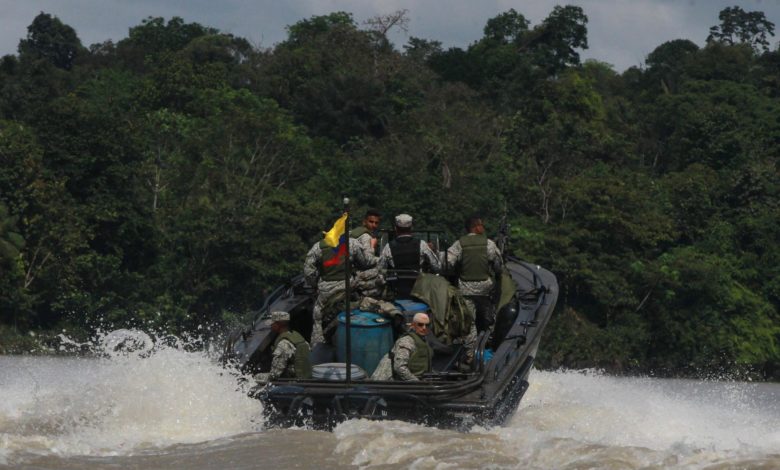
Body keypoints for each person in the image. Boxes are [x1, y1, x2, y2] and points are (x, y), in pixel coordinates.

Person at [303, 229, 368, 345]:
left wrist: (315, 284)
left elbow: (308, 272)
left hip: (326, 292)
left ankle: (318, 347)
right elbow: (364, 262)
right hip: (348, 289)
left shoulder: (318, 247)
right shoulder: (352, 243)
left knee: (318, 317)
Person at [446, 215, 503, 332]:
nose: (483, 228)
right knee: (488, 318)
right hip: (485, 289)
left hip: (465, 289)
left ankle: (470, 341)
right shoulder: (489, 244)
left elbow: (448, 263)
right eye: (481, 225)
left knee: (468, 321)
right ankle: (487, 337)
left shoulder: (459, 244)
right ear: (476, 227)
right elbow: (498, 265)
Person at [371, 312, 433, 381]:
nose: (424, 328)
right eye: (420, 325)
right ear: (413, 325)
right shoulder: (406, 341)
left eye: (427, 325)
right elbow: (400, 368)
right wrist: (417, 382)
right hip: (391, 382)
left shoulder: (423, 339)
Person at [255, 311, 312, 381]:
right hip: (306, 377)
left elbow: (274, 374)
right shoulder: (299, 338)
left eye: (272, 324)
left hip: (294, 382)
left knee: (255, 378)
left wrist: (255, 377)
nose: (271, 326)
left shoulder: (283, 344)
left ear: (278, 325)